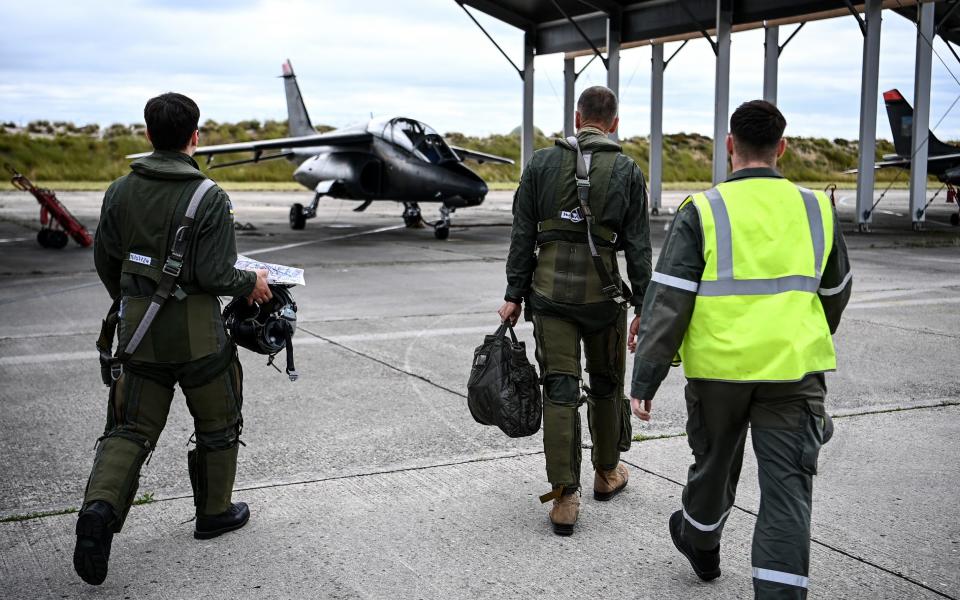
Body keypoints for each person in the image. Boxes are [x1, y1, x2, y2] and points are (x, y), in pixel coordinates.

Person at [629, 100, 851, 598]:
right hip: (793, 373)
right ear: (783, 149)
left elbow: (668, 301)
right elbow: (835, 294)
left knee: (713, 466)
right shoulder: (817, 207)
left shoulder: (703, 209)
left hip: (718, 375)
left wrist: (645, 379)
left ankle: (701, 545)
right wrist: (799, 329)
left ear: (729, 146)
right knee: (788, 493)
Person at [73, 92, 272, 585]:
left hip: (138, 334)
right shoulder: (210, 197)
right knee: (219, 421)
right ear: (194, 137)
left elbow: (107, 261)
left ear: (147, 134)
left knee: (129, 429)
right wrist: (254, 282)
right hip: (199, 338)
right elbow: (216, 273)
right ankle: (214, 512)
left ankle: (98, 514)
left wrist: (137, 299)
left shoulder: (119, 191)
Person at [499, 86, 652, 536]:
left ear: (577, 116)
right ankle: (607, 473)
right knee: (606, 385)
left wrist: (514, 293)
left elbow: (522, 233)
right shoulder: (625, 170)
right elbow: (640, 250)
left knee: (560, 390)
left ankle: (564, 499)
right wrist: (643, 304)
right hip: (604, 301)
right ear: (615, 123)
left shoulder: (542, 164)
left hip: (548, 300)